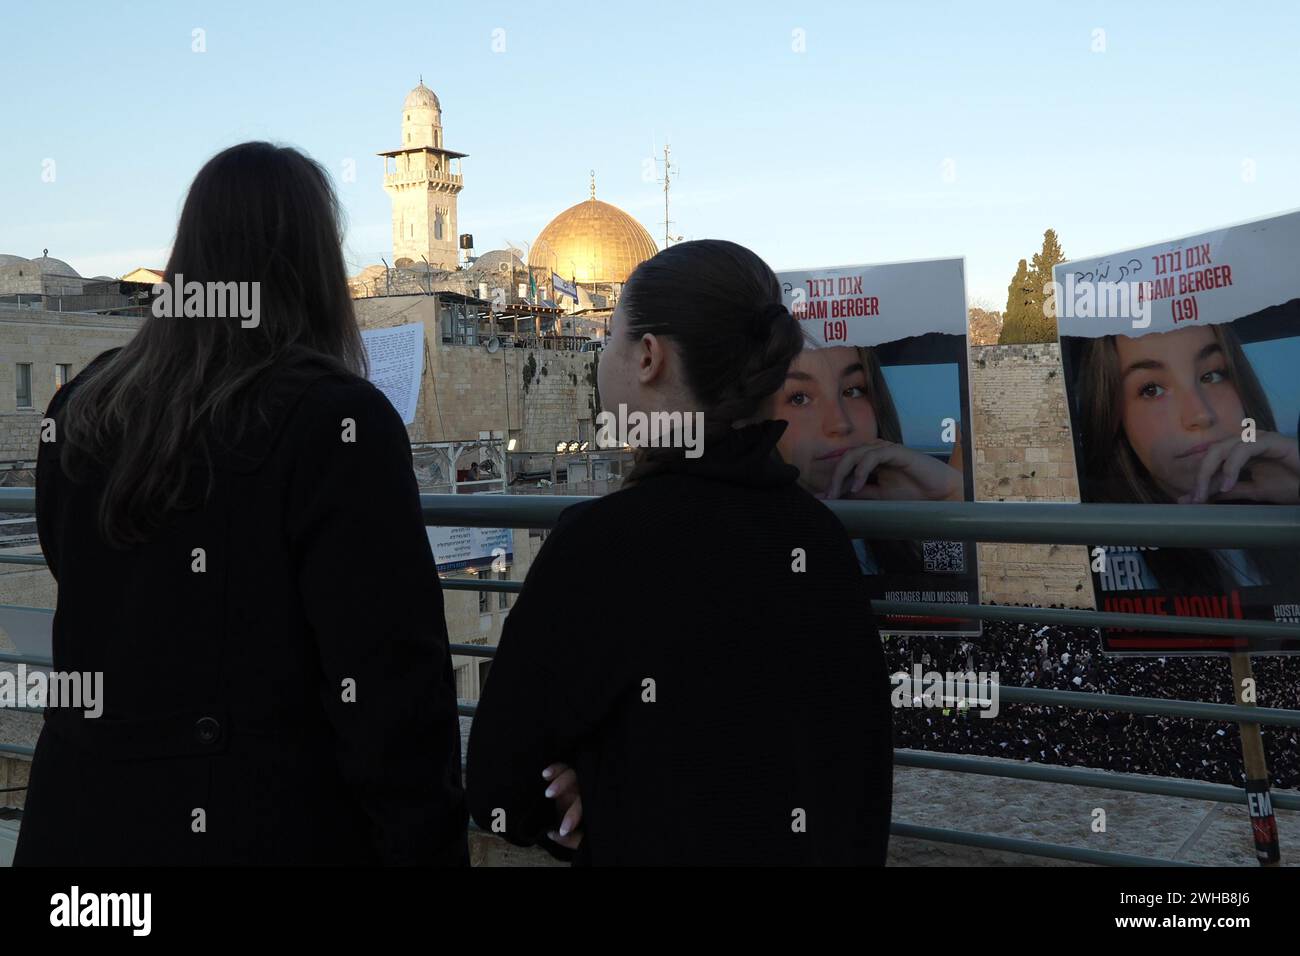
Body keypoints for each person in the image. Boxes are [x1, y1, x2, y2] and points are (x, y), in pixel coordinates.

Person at [14, 142, 468, 866]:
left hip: (81, 826)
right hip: (255, 827)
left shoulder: (82, 405)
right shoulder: (337, 422)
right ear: (315, 263)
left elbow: (77, 571)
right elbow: (392, 693)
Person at [466, 239, 893, 865]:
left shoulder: (600, 546)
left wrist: (592, 788)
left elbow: (498, 787)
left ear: (648, 357)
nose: (601, 357)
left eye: (609, 338)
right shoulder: (820, 538)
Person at [1074, 321, 1300, 592]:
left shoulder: (1284, 505)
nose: (1200, 415)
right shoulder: (1099, 559)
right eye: (1151, 390)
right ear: (1113, 418)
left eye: (1212, 376)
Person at [767, 344, 964, 575]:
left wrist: (950, 503)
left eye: (853, 391)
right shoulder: (750, 548)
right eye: (799, 398)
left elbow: (946, 581)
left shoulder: (894, 530)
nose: (840, 423)